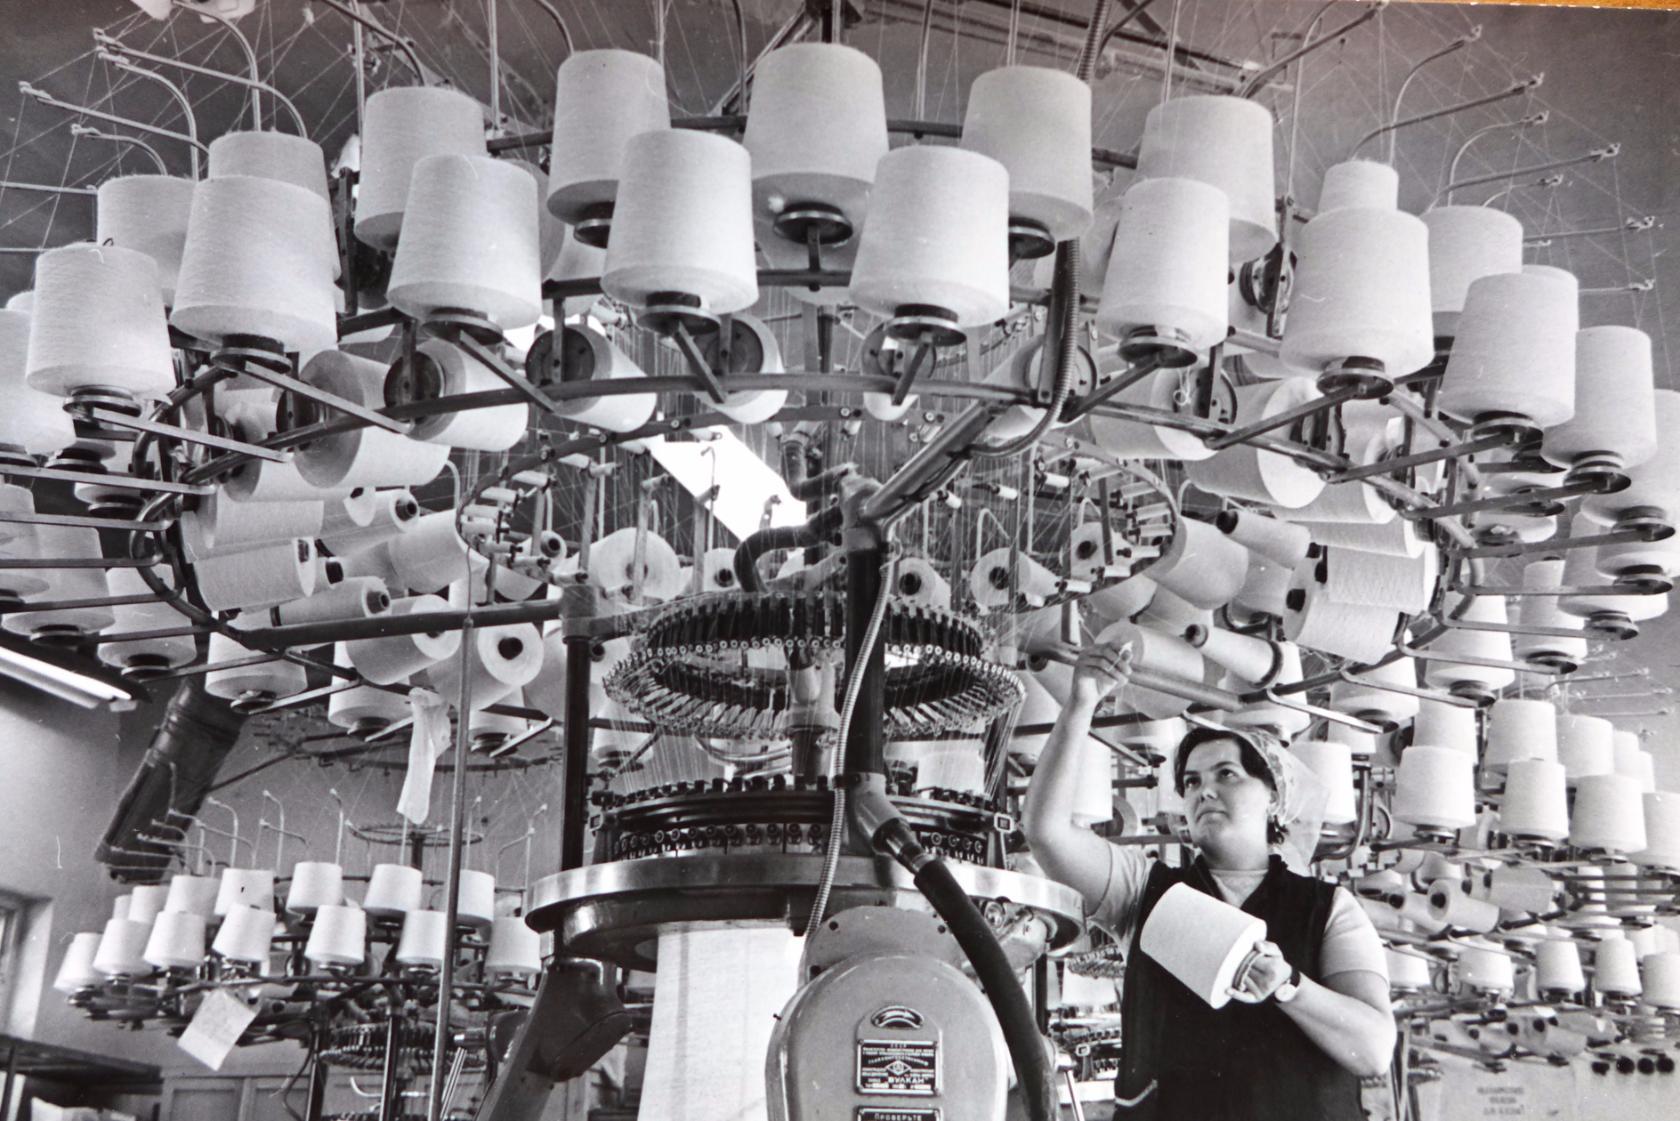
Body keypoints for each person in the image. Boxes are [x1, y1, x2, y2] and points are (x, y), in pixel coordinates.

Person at [1022, 640, 1396, 1120]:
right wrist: (1081, 704)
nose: (1205, 792)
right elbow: (1046, 831)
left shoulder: (1328, 909)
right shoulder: (1142, 893)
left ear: (1274, 797)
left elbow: (1373, 1049)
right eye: (1192, 782)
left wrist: (1289, 986)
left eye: (1226, 774)